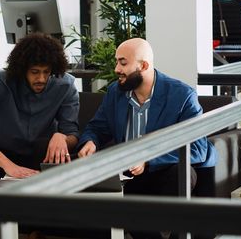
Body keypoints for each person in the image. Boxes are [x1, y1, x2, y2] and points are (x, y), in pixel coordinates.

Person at [0, 33, 80, 232]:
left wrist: (62, 137)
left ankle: (29, 228)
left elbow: (73, 135)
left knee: (49, 148)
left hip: (38, 158)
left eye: (46, 72)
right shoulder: (1, 81)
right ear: (22, 69)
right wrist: (9, 166)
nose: (41, 78)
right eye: (34, 72)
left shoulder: (65, 85)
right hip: (1, 159)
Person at [78, 37, 217, 199]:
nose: (116, 69)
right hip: (128, 171)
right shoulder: (115, 92)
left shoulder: (182, 95)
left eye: (123, 63)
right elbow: (97, 128)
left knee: (177, 173)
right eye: (117, 62)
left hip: (165, 168)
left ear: (143, 66)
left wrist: (148, 159)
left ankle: (168, 224)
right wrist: (91, 141)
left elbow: (198, 149)